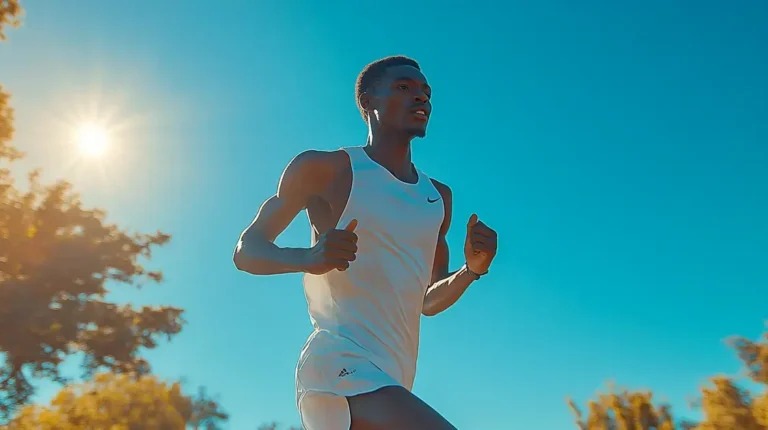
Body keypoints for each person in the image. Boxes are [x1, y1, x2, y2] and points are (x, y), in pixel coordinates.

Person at [233, 55, 498, 430]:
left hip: (394, 380)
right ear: (368, 101)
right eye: (405, 88)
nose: (421, 98)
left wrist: (472, 271)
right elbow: (247, 251)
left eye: (426, 92)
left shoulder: (438, 198)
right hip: (336, 367)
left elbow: (427, 299)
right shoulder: (325, 169)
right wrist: (309, 257)